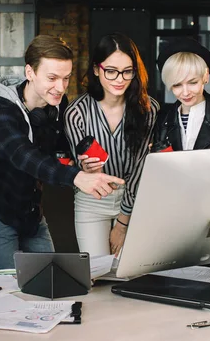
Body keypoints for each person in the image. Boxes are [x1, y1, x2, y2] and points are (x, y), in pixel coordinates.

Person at [0, 35, 125, 270]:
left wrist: (79, 163)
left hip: (32, 213)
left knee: (51, 280)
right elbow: (24, 156)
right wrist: (77, 177)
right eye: (52, 78)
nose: (61, 88)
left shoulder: (57, 106)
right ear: (30, 72)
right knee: (9, 287)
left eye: (66, 78)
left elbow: (59, 149)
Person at [64, 33, 159, 258]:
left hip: (135, 199)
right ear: (97, 70)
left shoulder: (148, 109)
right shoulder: (76, 112)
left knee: (129, 274)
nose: (120, 79)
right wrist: (85, 169)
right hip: (93, 200)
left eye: (127, 71)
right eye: (111, 71)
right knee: (95, 274)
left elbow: (140, 168)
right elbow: (81, 169)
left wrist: (123, 223)